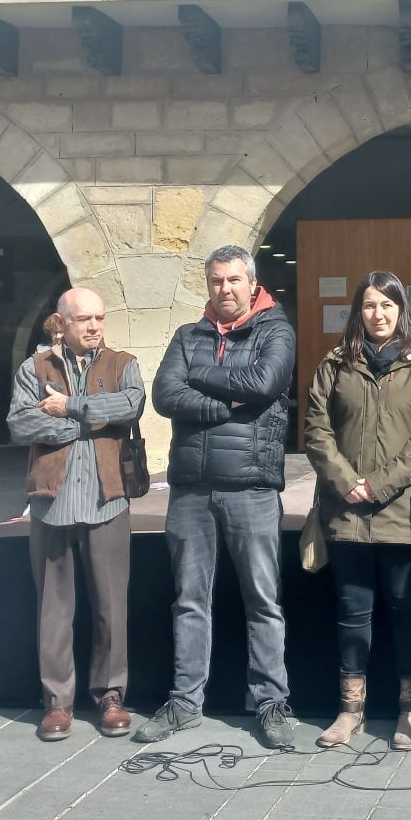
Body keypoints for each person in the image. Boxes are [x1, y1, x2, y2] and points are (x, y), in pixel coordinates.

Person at [137, 244, 298, 749]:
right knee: (188, 600)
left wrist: (200, 379)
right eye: (215, 282)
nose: (224, 290)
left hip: (251, 486)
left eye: (233, 280)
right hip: (190, 490)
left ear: (251, 283)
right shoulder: (189, 335)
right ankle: (185, 702)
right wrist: (228, 405)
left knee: (263, 601)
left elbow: (265, 381)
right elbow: (165, 394)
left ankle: (272, 702)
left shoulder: (276, 330)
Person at [305, 271, 411, 749]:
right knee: (352, 612)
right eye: (369, 305)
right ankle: (351, 711)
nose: (378, 314)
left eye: (388, 305)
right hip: (345, 512)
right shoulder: (334, 364)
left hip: (401, 512)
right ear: (357, 312)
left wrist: (379, 484)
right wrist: (347, 483)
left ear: (402, 310)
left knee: (407, 609)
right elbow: (317, 430)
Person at [6, 287, 145, 742]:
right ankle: (58, 702)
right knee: (54, 608)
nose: (94, 327)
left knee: (111, 605)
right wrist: (82, 425)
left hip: (109, 499)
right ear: (61, 323)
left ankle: (110, 695)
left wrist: (69, 407)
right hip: (52, 502)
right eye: (83, 319)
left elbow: (131, 405)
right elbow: (21, 422)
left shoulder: (122, 364)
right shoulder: (35, 367)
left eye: (99, 318)